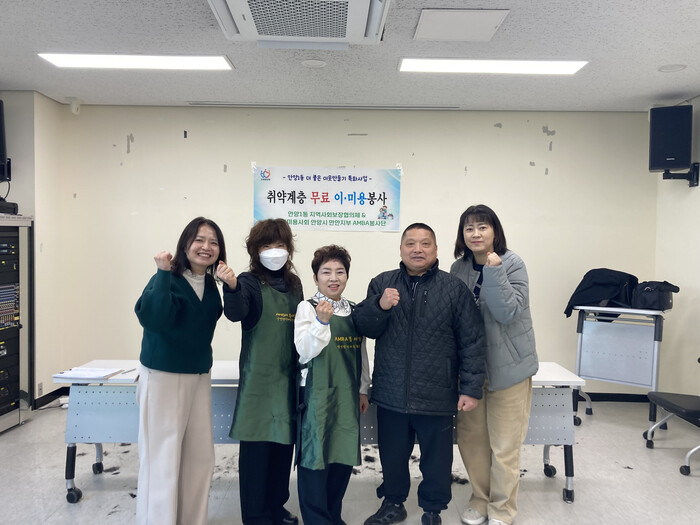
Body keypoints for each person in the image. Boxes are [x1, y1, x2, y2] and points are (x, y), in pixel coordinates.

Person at [353, 223, 486, 525]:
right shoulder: (382, 283)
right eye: (410, 243)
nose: (417, 249)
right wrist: (380, 306)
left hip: (437, 394)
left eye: (425, 244)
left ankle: (433, 509)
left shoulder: (454, 289)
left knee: (437, 460)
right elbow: (364, 326)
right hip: (391, 392)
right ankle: (393, 503)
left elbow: (472, 341)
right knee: (392, 456)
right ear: (401, 249)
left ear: (436, 250)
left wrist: (470, 388)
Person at [134, 216, 227, 525]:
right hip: (164, 376)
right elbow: (154, 319)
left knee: (199, 457)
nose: (206, 247)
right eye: (199, 239)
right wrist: (162, 272)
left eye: (213, 242)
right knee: (163, 458)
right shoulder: (167, 278)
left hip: (199, 375)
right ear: (185, 243)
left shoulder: (210, 284)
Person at [450, 204, 539, 525]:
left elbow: (507, 313)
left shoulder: (512, 263)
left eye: (482, 227)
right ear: (462, 234)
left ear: (494, 231)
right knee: (472, 442)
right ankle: (480, 499)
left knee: (504, 446)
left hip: (509, 369)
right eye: (469, 228)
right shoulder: (458, 268)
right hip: (471, 372)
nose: (475, 233)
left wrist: (494, 271)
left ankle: (502, 508)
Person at [216, 218, 303, 525]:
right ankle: (256, 515)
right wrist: (231, 287)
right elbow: (236, 312)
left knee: (282, 450)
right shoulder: (248, 281)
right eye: (267, 245)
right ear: (255, 250)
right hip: (258, 385)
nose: (274, 251)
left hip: (287, 380)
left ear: (288, 249)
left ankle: (276, 507)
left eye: (280, 244)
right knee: (256, 456)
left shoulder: (294, 284)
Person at [294, 245, 371, 525]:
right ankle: (317, 519)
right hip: (316, 394)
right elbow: (303, 352)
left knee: (341, 455)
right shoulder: (307, 307)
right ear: (316, 278)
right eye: (326, 272)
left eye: (340, 272)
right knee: (315, 457)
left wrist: (363, 389)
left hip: (348, 395)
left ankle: (332, 515)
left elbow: (361, 354)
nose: (333, 278)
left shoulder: (354, 310)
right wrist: (320, 322)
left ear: (347, 276)